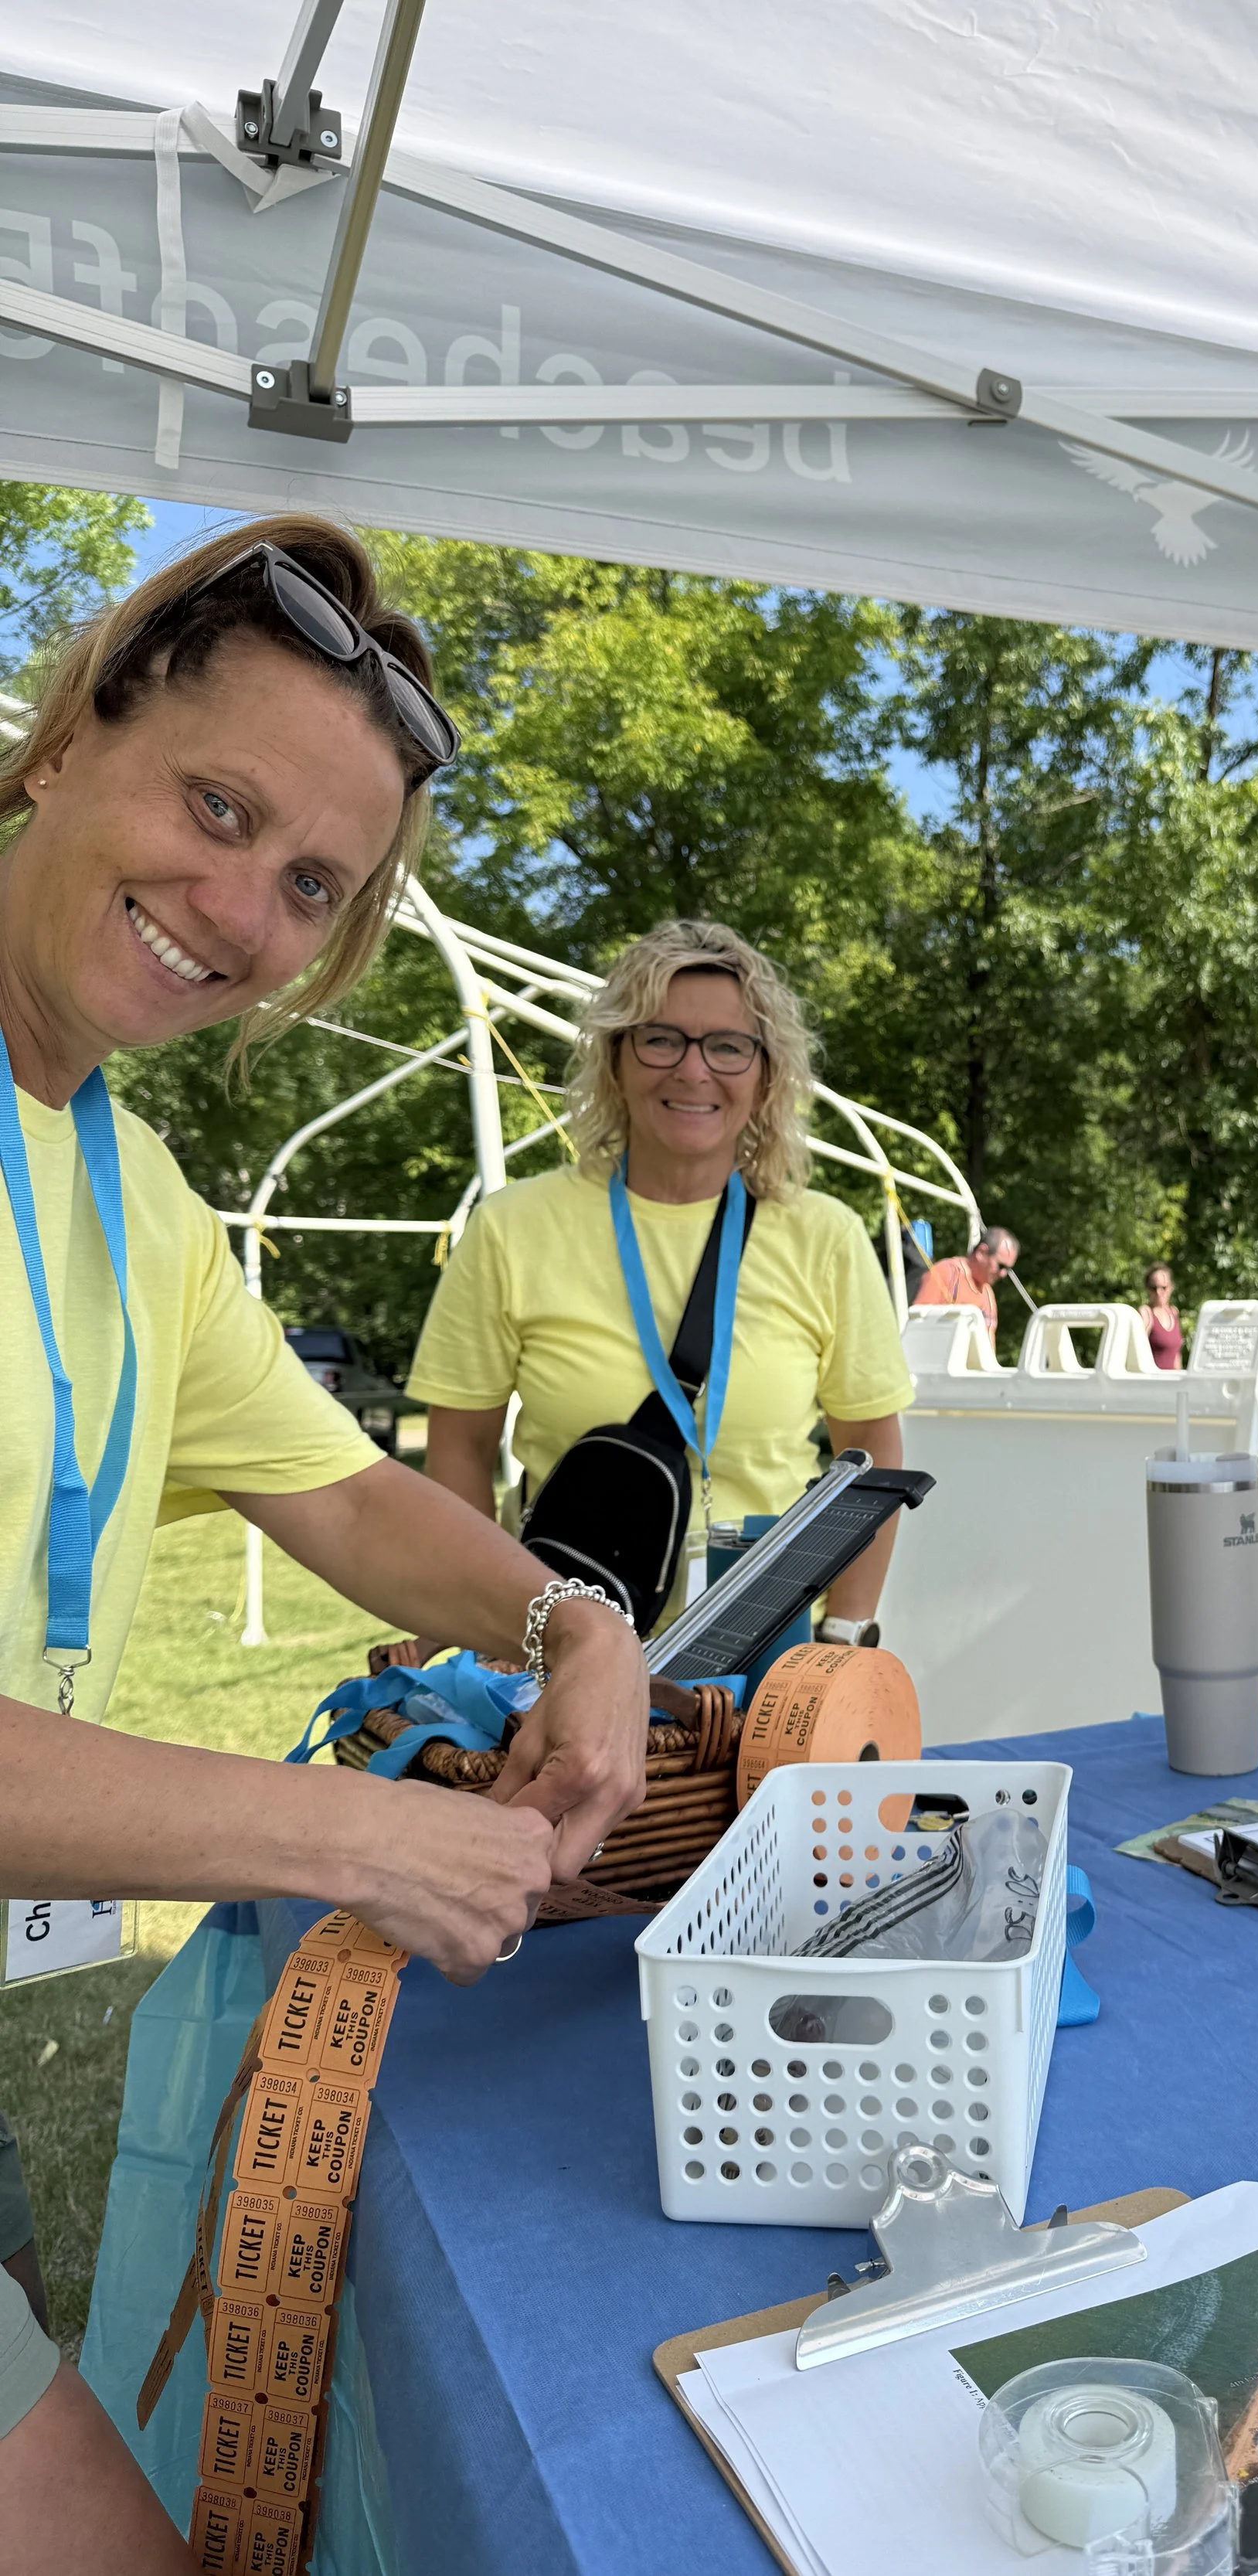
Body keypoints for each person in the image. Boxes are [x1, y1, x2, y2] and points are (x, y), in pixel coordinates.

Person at [0, 516, 651, 2571]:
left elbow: (352, 1496)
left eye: (309, 883)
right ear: (65, 739)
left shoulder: (124, 1181)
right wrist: (358, 1837)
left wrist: (577, 1621)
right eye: (217, 807)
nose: (238, 909)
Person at [412, 919, 916, 1645]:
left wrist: (843, 1633)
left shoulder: (825, 1236)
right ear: (616, 1059)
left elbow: (868, 1448)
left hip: (762, 1645)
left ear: (766, 1074)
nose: (692, 1070)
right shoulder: (511, 1228)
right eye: (660, 1039)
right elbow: (459, 1447)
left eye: (728, 1046)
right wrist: (488, 1626)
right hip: (565, 1646)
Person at [912, 1226, 1018, 1331]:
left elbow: (988, 1341)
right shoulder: (946, 1273)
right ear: (981, 1253)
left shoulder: (988, 1295)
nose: (1003, 1274)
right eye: (1001, 1266)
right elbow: (917, 1324)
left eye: (1008, 1269)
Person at [1139, 1263, 1184, 1370]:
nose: (1159, 1292)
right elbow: (1137, 1351)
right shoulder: (1146, 1313)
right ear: (1147, 1289)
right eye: (1154, 1288)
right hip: (1152, 1378)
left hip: (1173, 1379)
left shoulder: (1174, 1312)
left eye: (1164, 1287)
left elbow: (1177, 1355)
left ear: (1171, 1287)